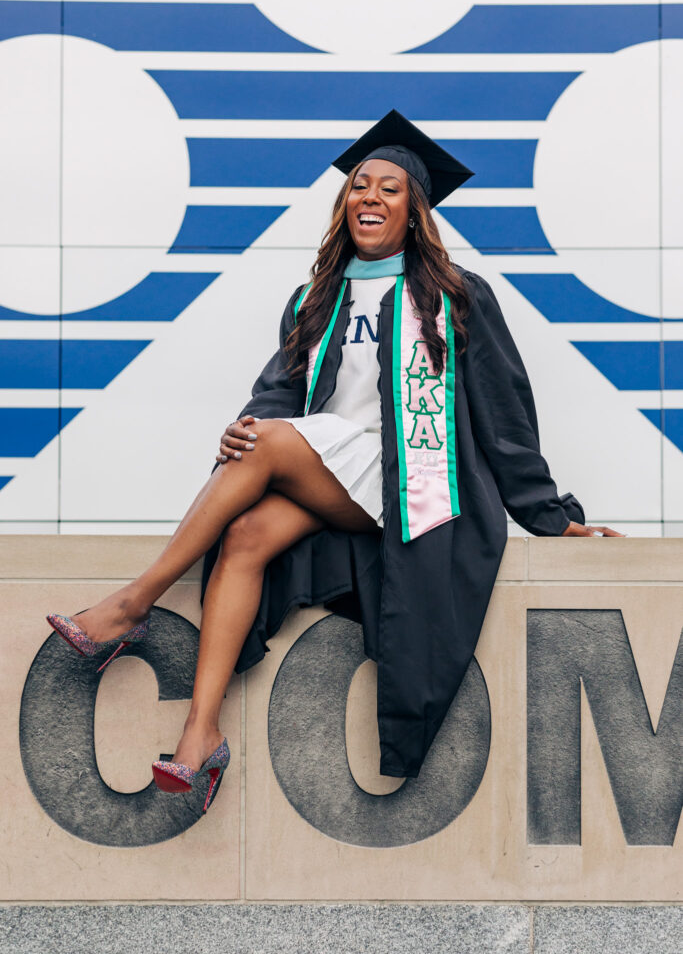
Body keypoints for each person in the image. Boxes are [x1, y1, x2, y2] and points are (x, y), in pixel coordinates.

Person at [46, 110, 623, 813]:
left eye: (388, 188)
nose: (369, 197)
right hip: (331, 466)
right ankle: (200, 736)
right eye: (358, 186)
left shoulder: (452, 295)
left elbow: (504, 414)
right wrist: (246, 423)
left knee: (273, 442)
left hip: (412, 478)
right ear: (343, 203)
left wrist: (549, 517)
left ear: (414, 211)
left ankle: (134, 602)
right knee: (246, 533)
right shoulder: (314, 296)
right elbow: (279, 392)